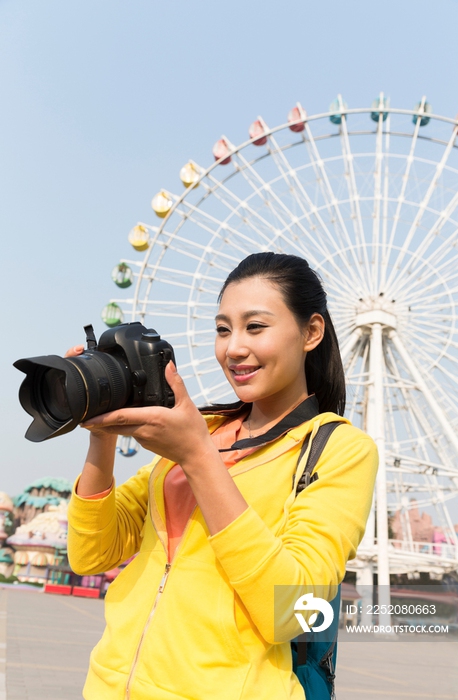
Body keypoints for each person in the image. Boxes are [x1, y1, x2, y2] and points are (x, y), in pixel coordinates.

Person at [67, 251, 378, 700]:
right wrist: (102, 433)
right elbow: (91, 554)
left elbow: (292, 611)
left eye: (255, 327)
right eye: (222, 329)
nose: (233, 348)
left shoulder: (339, 449)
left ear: (311, 332)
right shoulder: (204, 430)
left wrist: (197, 458)